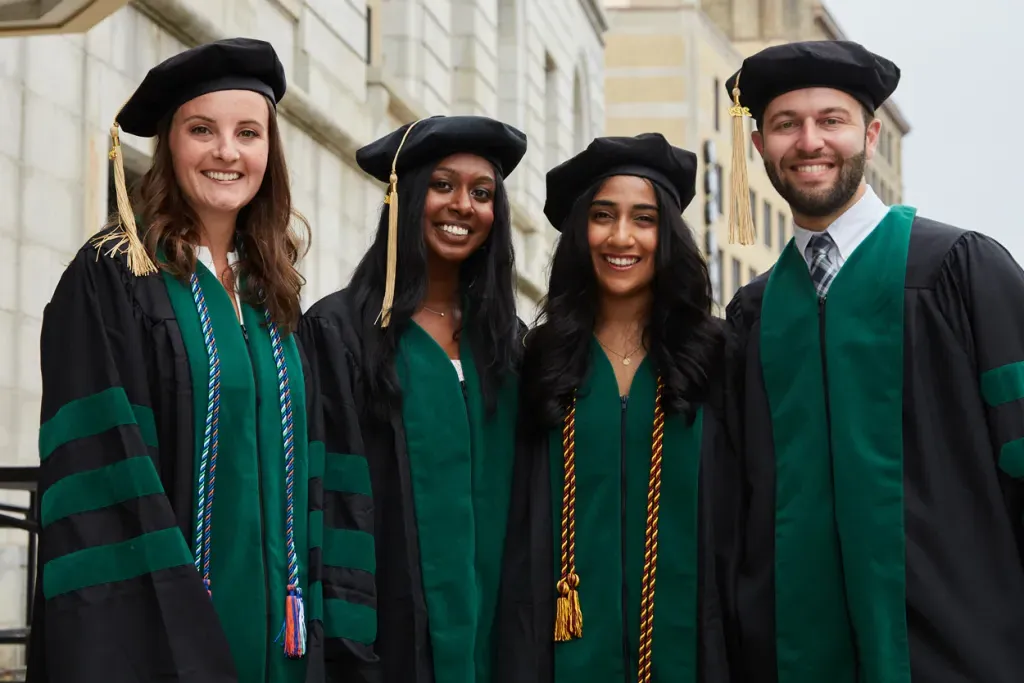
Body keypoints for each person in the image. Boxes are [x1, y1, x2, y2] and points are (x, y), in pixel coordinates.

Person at [27, 38, 369, 683]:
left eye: (249, 133)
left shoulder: (275, 294)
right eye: (202, 130)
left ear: (270, 151)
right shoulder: (114, 275)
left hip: (286, 637)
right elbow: (103, 476)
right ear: (168, 145)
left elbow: (314, 476)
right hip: (163, 642)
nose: (227, 152)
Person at [723, 39, 1024, 683]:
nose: (809, 142)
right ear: (759, 147)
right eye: (785, 125)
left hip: (962, 647)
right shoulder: (752, 315)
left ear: (872, 134)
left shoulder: (960, 271)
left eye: (831, 120)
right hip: (793, 654)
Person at [297, 114, 528, 683]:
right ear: (404, 199)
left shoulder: (508, 344)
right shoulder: (340, 332)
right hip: (389, 643)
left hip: (496, 637)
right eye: (443, 185)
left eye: (481, 193)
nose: (462, 206)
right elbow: (328, 506)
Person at [496, 133, 732, 683]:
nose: (621, 236)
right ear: (581, 232)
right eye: (603, 216)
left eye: (643, 218)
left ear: (667, 234)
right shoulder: (537, 362)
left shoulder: (720, 360)